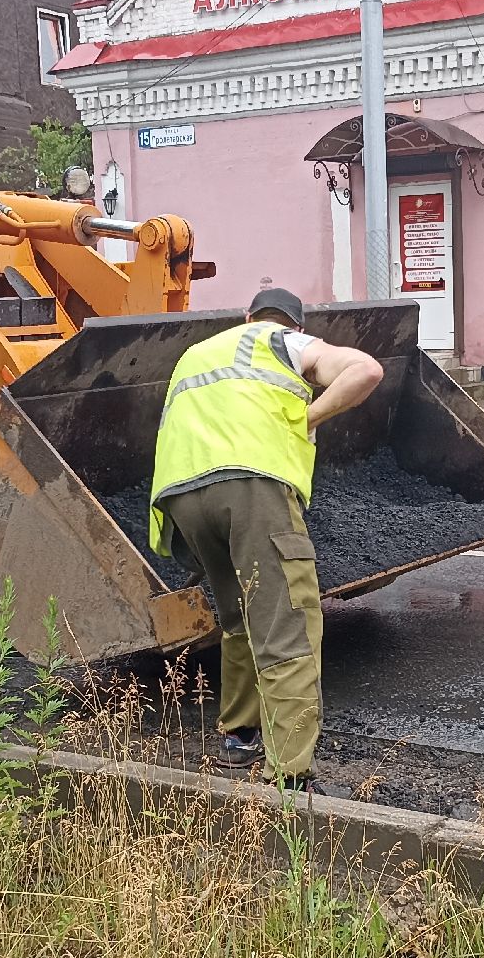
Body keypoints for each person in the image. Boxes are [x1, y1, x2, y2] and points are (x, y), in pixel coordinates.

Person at [148, 288, 385, 791]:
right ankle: (290, 773)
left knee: (237, 615)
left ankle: (239, 736)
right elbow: (366, 371)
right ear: (295, 326)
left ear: (246, 315)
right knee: (289, 622)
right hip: (252, 487)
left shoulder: (196, 353)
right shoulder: (287, 343)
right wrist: (306, 419)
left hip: (183, 495)